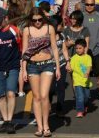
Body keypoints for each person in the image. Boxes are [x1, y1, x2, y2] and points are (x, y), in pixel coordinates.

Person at [22, 8, 61, 137]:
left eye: (40, 19)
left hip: (47, 65)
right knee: (36, 97)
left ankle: (46, 126)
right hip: (32, 66)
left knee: (44, 96)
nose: (37, 22)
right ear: (31, 19)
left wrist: (58, 67)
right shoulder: (27, 30)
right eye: (34, 20)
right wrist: (23, 70)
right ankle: (39, 127)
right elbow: (24, 51)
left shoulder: (50, 28)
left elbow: (55, 48)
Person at [69, 38, 92, 118]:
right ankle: (79, 111)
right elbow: (71, 68)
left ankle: (85, 105)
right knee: (80, 96)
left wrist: (87, 72)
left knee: (86, 96)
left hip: (86, 81)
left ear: (85, 48)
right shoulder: (73, 58)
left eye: (80, 48)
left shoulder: (88, 57)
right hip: (77, 80)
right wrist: (69, 68)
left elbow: (89, 66)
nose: (78, 50)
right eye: (76, 48)